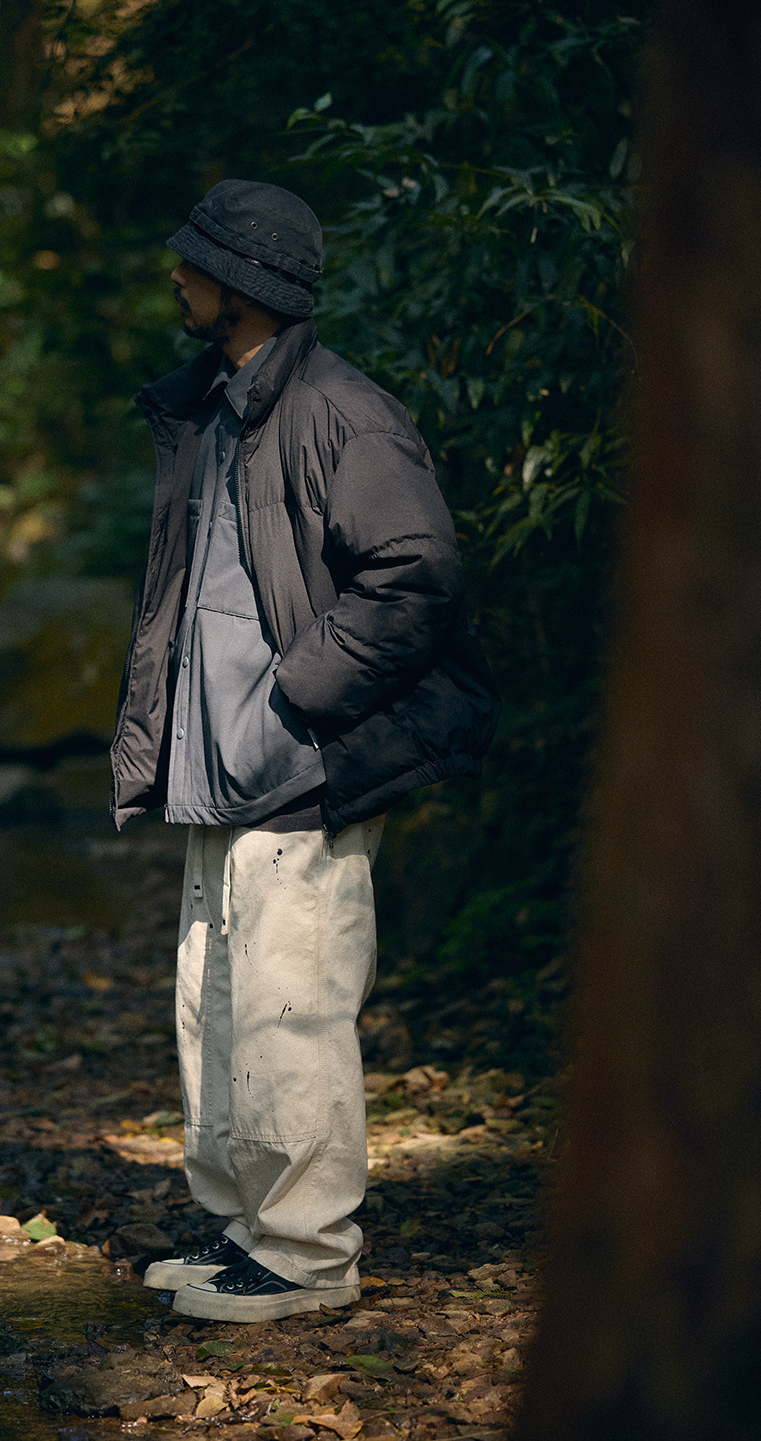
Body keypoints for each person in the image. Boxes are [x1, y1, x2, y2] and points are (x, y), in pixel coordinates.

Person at [110, 179, 499, 1323]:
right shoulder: (209, 407)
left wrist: (296, 692)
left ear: (241, 283)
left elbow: (416, 574)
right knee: (217, 1014)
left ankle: (309, 1254)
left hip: (301, 771)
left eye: (192, 261)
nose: (175, 275)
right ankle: (249, 1231)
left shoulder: (340, 410)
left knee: (293, 1013)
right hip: (220, 774)